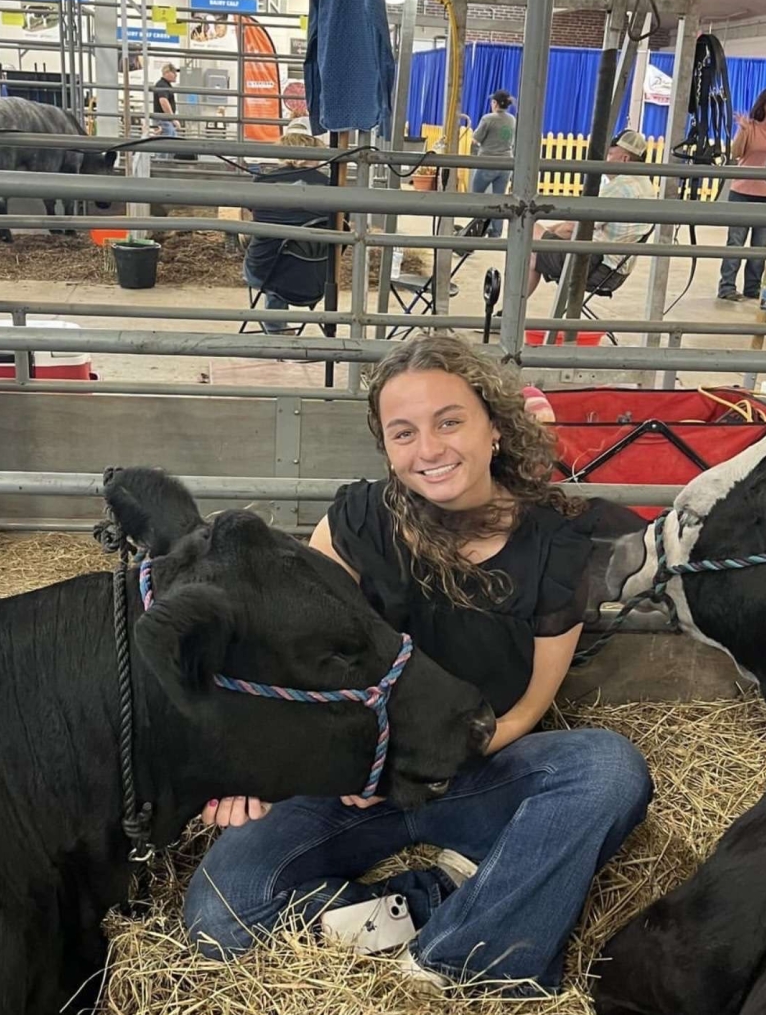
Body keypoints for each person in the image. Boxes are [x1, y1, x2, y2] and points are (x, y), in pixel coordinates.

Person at [183, 335, 652, 997]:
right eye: (404, 433)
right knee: (220, 917)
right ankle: (443, 899)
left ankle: (451, 967)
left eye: (449, 421)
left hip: (477, 771)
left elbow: (524, 709)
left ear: (494, 426)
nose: (428, 449)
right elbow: (291, 658)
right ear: (387, 447)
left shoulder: (557, 537)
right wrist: (269, 760)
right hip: (348, 781)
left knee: (608, 770)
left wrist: (425, 764)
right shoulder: (355, 522)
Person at [527, 129, 655, 298]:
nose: (606, 160)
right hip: (615, 272)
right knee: (536, 248)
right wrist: (551, 233)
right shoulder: (646, 185)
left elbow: (576, 227)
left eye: (610, 155)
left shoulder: (620, 187)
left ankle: (510, 312)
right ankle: (509, 311)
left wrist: (550, 233)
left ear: (624, 159)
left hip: (595, 266)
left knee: (527, 228)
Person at [242, 116, 331, 333]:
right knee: (293, 250)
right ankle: (282, 327)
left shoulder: (263, 182)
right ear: (316, 150)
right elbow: (343, 225)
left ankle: (275, 327)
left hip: (264, 272)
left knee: (267, 244)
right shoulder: (331, 187)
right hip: (316, 275)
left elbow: (250, 216)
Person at [718, 86, 766, 302]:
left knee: (760, 246)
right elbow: (737, 153)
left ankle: (753, 287)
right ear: (764, 102)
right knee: (735, 243)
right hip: (742, 190)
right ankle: (727, 287)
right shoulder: (750, 125)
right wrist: (742, 130)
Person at [470, 89, 516, 238]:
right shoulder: (512, 120)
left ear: (495, 103)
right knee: (499, 198)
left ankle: (477, 228)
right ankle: (495, 232)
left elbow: (476, 139)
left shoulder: (488, 119)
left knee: (477, 196)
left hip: (487, 162)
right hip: (506, 165)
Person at [153, 63, 181, 146]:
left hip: (165, 120)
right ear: (167, 73)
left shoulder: (165, 85)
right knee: (166, 146)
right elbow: (163, 101)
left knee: (170, 145)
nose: (176, 75)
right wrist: (173, 118)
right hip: (163, 120)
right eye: (174, 72)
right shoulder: (162, 85)